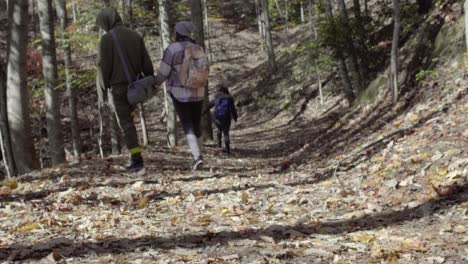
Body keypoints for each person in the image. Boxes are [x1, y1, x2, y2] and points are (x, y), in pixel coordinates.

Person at [96, 7, 154, 173]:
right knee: (130, 122)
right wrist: (149, 80)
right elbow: (147, 64)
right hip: (135, 89)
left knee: (126, 125)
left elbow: (103, 68)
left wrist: (102, 91)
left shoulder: (106, 39)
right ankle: (135, 157)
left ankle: (136, 159)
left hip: (119, 89)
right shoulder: (135, 35)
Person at [155, 21, 206, 170]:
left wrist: (155, 84)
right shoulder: (198, 48)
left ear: (178, 33)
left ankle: (197, 157)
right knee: (196, 124)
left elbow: (163, 72)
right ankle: (198, 156)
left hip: (179, 93)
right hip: (198, 91)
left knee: (187, 124)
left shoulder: (172, 49)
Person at [205, 85, 238, 154]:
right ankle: (228, 150)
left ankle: (219, 146)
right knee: (226, 133)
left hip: (217, 117)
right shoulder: (229, 98)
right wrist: (235, 118)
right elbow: (233, 109)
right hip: (226, 118)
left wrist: (203, 112)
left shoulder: (216, 97)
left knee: (219, 130)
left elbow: (209, 105)